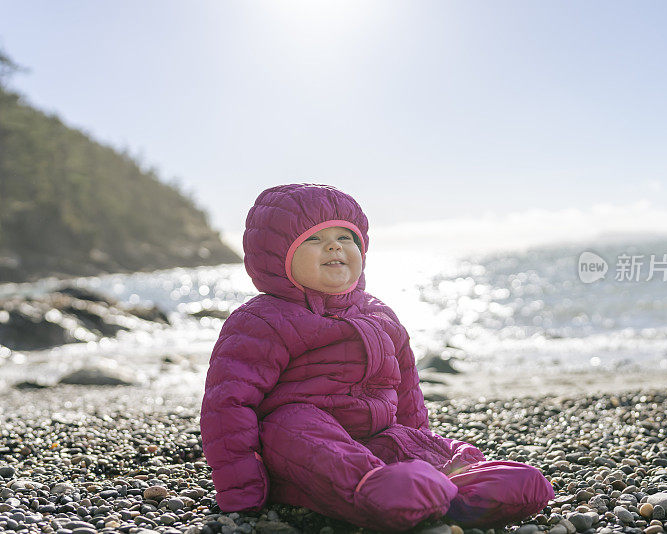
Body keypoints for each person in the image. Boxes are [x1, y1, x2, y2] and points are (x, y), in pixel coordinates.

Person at [200, 183, 554, 532]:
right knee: (295, 420)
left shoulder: (377, 313)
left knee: (409, 441)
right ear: (277, 256)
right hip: (300, 449)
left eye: (347, 237)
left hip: (376, 435)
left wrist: (420, 446)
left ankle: (455, 483)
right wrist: (242, 489)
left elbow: (407, 389)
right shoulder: (261, 320)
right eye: (314, 239)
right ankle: (373, 488)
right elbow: (228, 404)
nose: (335, 246)